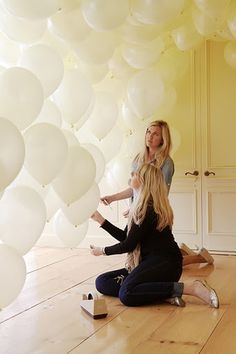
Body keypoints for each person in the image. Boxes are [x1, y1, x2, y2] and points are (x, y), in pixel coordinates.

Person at [90, 164, 219, 308]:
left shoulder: (147, 210)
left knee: (126, 294)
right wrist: (101, 220)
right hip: (149, 264)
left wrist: (102, 251)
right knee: (102, 281)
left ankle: (191, 288)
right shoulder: (139, 208)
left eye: (134, 175)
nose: (131, 176)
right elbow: (126, 238)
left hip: (166, 264)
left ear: (144, 181)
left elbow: (128, 245)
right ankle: (161, 293)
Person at [100, 119, 214, 266]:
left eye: (155, 134)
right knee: (139, 246)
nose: (150, 136)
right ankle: (183, 252)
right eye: (148, 132)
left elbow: (162, 193)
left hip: (153, 212)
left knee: (150, 253)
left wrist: (139, 206)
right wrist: (112, 198)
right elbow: (135, 188)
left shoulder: (166, 163)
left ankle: (199, 257)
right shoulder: (137, 159)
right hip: (138, 211)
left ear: (163, 139)